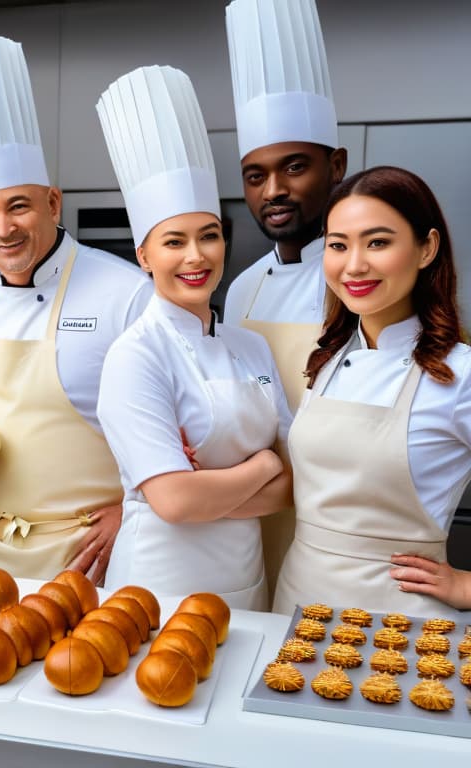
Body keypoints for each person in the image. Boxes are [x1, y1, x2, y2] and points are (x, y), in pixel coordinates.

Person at [0, 36, 152, 583]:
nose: (2, 229)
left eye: (18, 207)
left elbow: (183, 429)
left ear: (53, 202)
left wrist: (133, 512)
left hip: (89, 553)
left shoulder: (128, 293)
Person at [95, 66, 293, 610]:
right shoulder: (135, 355)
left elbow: (293, 483)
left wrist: (214, 492)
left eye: (209, 236)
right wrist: (261, 467)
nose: (195, 256)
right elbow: (176, 503)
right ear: (144, 256)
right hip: (158, 585)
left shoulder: (251, 346)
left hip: (245, 580)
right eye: (173, 241)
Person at [275, 166, 471, 614]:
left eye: (378, 242)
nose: (354, 264)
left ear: (427, 248)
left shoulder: (460, 376)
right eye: (338, 245)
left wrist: (465, 587)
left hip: (402, 626)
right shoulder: (325, 360)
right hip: (295, 606)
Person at [222, 0, 347, 600]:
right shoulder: (241, 287)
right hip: (248, 512)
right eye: (255, 174)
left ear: (336, 166)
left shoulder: (368, 284)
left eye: (294, 167)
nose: (274, 190)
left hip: (337, 527)